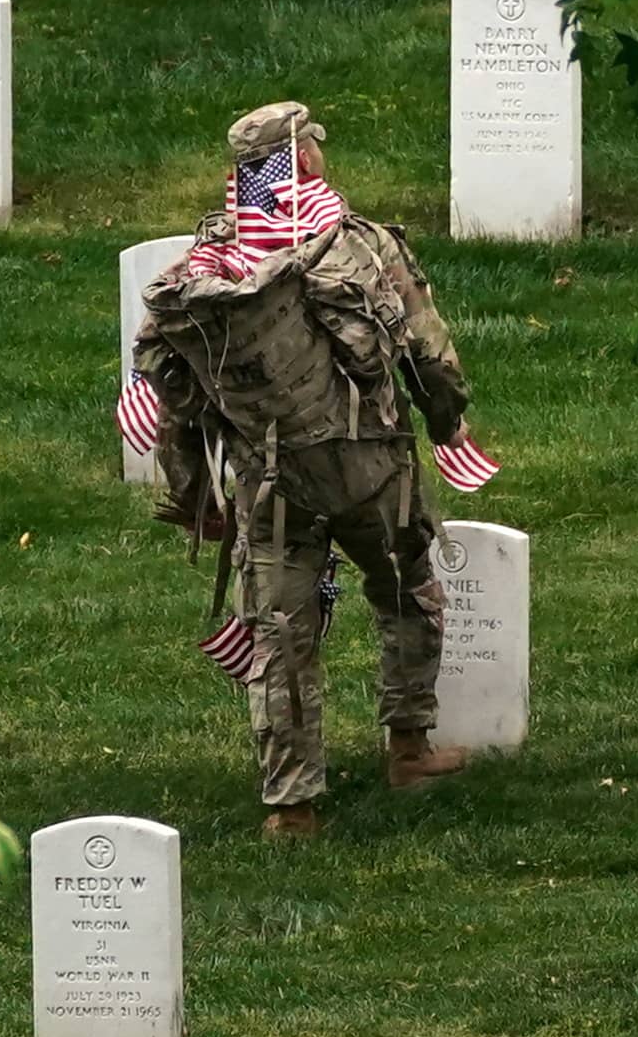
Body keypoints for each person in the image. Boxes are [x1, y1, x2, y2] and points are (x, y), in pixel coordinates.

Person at [134, 99, 485, 835]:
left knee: (280, 635)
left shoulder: (209, 271)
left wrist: (191, 493)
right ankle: (409, 746)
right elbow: (427, 349)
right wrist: (450, 423)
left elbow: (173, 391)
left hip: (269, 482)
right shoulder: (359, 244)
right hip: (370, 468)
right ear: (307, 158)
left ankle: (292, 803)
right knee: (406, 591)